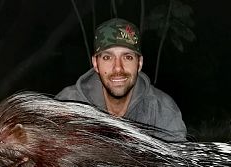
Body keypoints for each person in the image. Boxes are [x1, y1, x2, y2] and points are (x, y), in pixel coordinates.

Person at [56, 18, 187, 142]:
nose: (118, 68)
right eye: (107, 57)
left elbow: (178, 162)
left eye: (127, 57)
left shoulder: (161, 109)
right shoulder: (68, 104)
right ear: (95, 63)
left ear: (139, 63)